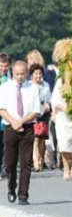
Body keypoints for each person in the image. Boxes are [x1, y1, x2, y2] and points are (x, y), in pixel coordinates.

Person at [0, 61, 41, 205]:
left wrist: (21, 121)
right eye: (17, 74)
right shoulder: (5, 88)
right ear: (13, 73)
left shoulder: (33, 88)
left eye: (22, 74)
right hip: (10, 127)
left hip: (27, 128)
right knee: (10, 162)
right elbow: (2, 109)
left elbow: (36, 111)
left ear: (27, 73)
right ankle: (11, 187)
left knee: (26, 162)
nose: (20, 77)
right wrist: (13, 121)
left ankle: (23, 194)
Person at [28, 64, 51, 172]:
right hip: (33, 114)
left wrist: (47, 106)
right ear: (31, 75)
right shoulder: (28, 86)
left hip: (44, 114)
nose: (38, 76)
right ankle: (35, 161)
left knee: (42, 138)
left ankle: (41, 159)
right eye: (36, 74)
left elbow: (49, 99)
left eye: (40, 73)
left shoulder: (45, 85)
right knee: (35, 138)